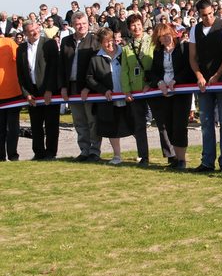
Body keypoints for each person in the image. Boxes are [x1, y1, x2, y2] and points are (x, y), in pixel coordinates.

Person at [189, 0, 222, 172]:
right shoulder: (195, 29)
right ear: (198, 15)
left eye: (210, 13)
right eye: (204, 15)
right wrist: (199, 75)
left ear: (213, 11)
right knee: (206, 123)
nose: (208, 17)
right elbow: (192, 57)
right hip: (204, 83)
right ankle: (207, 161)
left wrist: (217, 76)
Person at [148, 23, 194, 170]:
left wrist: (177, 80)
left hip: (181, 93)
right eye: (162, 36)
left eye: (168, 34)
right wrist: (159, 82)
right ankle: (174, 158)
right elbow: (154, 72)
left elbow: (189, 68)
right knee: (169, 125)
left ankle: (182, 160)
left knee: (180, 126)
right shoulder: (157, 53)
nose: (166, 38)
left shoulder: (183, 48)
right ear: (158, 39)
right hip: (164, 94)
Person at [59, 11, 102, 162]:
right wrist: (63, 87)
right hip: (72, 87)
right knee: (79, 121)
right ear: (72, 25)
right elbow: (62, 66)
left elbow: (97, 67)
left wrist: (89, 88)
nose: (81, 26)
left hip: (89, 88)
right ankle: (84, 150)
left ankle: (94, 152)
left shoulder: (95, 40)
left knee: (92, 120)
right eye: (78, 24)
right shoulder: (66, 41)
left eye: (84, 23)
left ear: (88, 23)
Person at [86, 28, 134, 165]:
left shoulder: (124, 52)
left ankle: (143, 155)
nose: (109, 44)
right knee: (113, 129)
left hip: (128, 97)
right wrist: (103, 90)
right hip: (109, 101)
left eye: (111, 40)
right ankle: (117, 156)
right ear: (100, 43)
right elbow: (90, 78)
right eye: (106, 42)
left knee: (135, 125)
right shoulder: (95, 58)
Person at [16, 21, 60, 160]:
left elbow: (54, 68)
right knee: (36, 125)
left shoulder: (49, 44)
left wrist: (49, 90)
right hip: (32, 91)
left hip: (49, 90)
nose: (35, 32)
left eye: (36, 29)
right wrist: (26, 94)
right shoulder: (21, 49)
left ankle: (51, 152)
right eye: (31, 30)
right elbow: (21, 73)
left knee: (51, 124)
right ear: (25, 34)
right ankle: (38, 152)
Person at [120, 14, 158, 166]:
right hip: (135, 91)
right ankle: (144, 156)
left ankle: (171, 155)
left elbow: (157, 63)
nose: (136, 28)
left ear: (143, 24)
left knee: (161, 123)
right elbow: (124, 71)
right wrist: (127, 90)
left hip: (152, 88)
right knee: (139, 125)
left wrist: (153, 82)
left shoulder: (153, 41)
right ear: (129, 28)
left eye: (138, 24)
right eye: (133, 25)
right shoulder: (126, 48)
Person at [0, 34, 21, 161]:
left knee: (13, 128)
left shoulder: (8, 43)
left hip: (13, 93)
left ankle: (13, 155)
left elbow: (21, 60)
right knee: (1, 128)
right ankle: (1, 157)